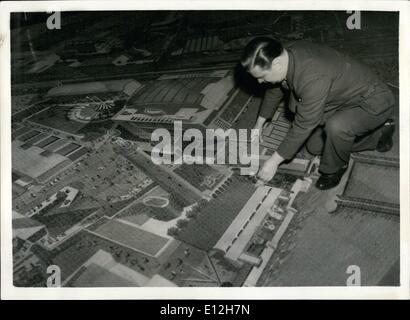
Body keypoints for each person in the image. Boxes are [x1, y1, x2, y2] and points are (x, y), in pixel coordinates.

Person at [241, 37, 396, 190]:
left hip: (371, 102)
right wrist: (259, 123)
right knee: (314, 147)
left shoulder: (312, 75)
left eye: (262, 76)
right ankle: (379, 135)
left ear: (277, 64)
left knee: (336, 127)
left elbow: (305, 123)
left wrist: (273, 161)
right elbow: (275, 89)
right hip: (341, 99)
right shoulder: (281, 53)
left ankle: (335, 169)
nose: (260, 82)